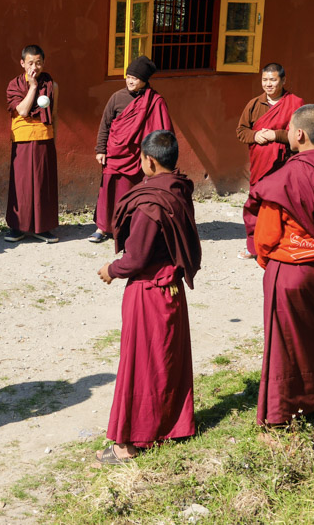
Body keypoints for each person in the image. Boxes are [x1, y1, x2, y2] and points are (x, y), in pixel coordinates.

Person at [96, 130, 201, 464]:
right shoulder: (178, 190)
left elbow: (137, 256)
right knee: (167, 360)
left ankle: (127, 444)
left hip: (148, 288)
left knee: (139, 364)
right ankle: (174, 425)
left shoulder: (151, 202)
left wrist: (112, 269)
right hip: (172, 289)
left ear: (150, 161)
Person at [246, 105, 314, 427]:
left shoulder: (288, 175)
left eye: (290, 127)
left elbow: (265, 234)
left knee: (283, 348)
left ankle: (280, 416)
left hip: (288, 270)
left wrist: (267, 259)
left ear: (299, 133)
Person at [90, 56, 174, 243]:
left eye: (134, 78)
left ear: (144, 80)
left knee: (134, 192)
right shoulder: (117, 97)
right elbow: (105, 124)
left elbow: (163, 131)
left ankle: (130, 228)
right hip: (115, 153)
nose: (129, 81)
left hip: (139, 157)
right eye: (128, 76)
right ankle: (103, 227)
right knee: (108, 191)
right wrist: (100, 149)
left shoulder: (155, 101)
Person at [236, 63, 305, 260]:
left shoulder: (295, 103)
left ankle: (279, 246)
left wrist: (276, 135)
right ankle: (253, 247)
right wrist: (255, 136)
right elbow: (241, 131)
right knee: (255, 205)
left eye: (273, 80)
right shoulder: (254, 104)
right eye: (265, 80)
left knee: (281, 206)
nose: (268, 84)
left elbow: (299, 134)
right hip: (260, 164)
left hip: (284, 165)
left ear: (283, 81)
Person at [5, 44, 59, 243]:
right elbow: (23, 111)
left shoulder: (53, 85)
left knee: (43, 184)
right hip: (22, 139)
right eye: (30, 63)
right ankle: (17, 227)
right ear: (22, 63)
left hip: (45, 138)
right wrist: (34, 86)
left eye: (38, 63)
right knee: (21, 186)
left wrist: (54, 138)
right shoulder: (15, 85)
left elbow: (54, 114)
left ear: (43, 63)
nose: (34, 67)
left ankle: (42, 228)